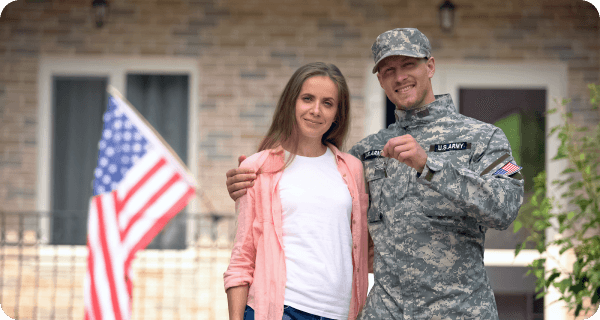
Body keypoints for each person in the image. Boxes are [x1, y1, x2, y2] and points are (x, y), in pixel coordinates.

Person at [225, 28, 525, 320]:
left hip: (460, 311)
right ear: (380, 80)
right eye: (387, 70)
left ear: (430, 66)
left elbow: (505, 208)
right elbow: (315, 195)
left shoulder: (483, 137)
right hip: (385, 311)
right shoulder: (366, 153)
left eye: (408, 64)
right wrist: (247, 184)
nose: (399, 76)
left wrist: (429, 166)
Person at [223, 62, 370, 320]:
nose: (316, 110)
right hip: (281, 311)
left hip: (339, 313)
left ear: (338, 113)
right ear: (291, 102)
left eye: (327, 103)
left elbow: (359, 245)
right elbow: (242, 259)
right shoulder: (257, 168)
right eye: (307, 99)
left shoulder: (352, 169)